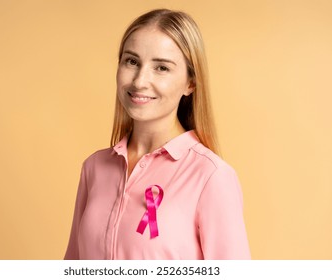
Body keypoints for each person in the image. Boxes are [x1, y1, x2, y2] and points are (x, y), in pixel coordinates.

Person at [64, 8, 251, 260]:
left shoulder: (211, 176)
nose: (140, 81)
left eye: (161, 68)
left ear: (190, 83)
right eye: (132, 61)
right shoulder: (94, 168)